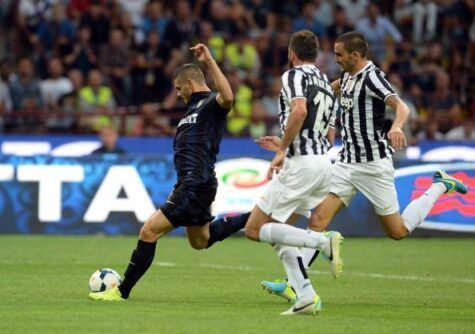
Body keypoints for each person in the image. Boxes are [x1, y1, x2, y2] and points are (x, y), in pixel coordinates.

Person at [259, 31, 468, 300]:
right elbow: (329, 89)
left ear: (355, 56)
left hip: (374, 165)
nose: (335, 59)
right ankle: (294, 283)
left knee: (397, 231)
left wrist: (397, 126)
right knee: (318, 219)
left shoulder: (372, 77)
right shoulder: (347, 75)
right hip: (346, 162)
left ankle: (440, 186)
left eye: (339, 54)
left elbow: (401, 106)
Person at [89, 44, 250, 302]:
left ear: (189, 82)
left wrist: (208, 60)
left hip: (196, 184)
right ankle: (257, 216)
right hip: (194, 183)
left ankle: (121, 291)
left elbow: (228, 97)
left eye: (178, 88)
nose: (176, 94)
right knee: (200, 241)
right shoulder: (192, 110)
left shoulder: (211, 104)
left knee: (148, 231)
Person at [243, 30, 343, 316]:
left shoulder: (293, 76)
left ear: (292, 53)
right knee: (281, 233)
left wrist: (282, 149)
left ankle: (322, 242)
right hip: (322, 164)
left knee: (253, 229)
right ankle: (306, 296)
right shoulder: (324, 81)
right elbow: (329, 133)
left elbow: (299, 111)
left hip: (300, 166)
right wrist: (287, 144)